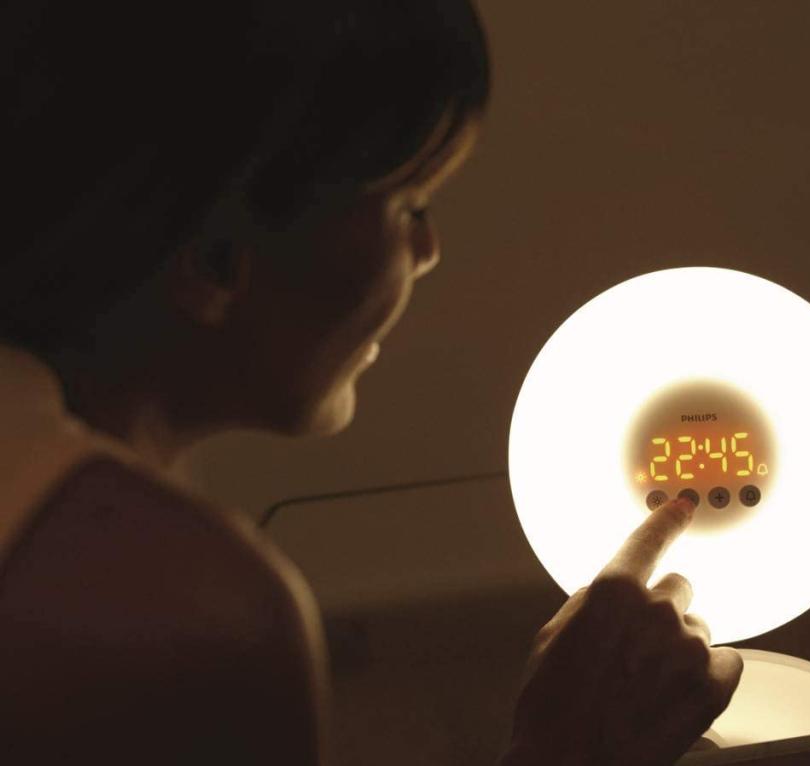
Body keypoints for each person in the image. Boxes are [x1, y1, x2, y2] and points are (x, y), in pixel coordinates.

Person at [0, 1, 742, 763]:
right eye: (410, 205)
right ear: (219, 258)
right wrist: (562, 748)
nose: (429, 251)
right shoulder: (192, 618)